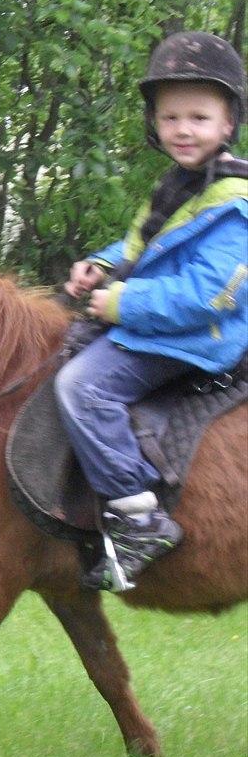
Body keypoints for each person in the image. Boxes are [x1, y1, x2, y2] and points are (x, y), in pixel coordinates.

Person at [56, 31, 248, 592]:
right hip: (161, 322)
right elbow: (150, 245)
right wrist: (103, 264)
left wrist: (123, 303)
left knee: (83, 388)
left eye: (198, 117)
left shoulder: (234, 202)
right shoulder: (184, 187)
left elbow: (211, 294)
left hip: (198, 337)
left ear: (227, 124)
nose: (183, 130)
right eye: (170, 118)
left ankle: (139, 515)